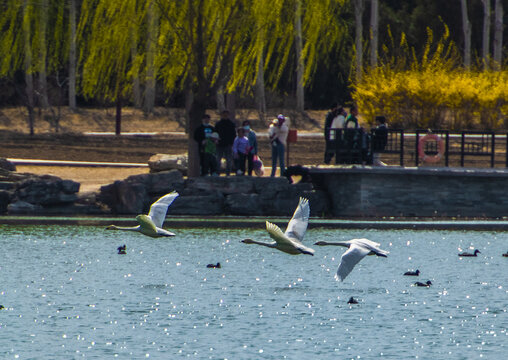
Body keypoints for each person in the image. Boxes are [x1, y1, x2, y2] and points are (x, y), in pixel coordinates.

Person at [214, 110, 237, 176]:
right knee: (218, 160)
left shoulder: (231, 124)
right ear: (221, 115)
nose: (225, 116)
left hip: (228, 145)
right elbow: (215, 134)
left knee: (229, 160)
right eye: (224, 114)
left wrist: (232, 144)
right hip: (219, 145)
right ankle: (217, 173)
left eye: (226, 114)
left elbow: (234, 135)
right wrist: (216, 140)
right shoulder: (218, 124)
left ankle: (228, 174)